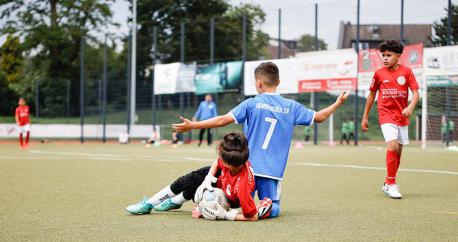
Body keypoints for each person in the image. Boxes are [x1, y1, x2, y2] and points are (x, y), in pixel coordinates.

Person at [173, 62, 349, 217]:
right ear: (278, 82)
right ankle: (266, 208)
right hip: (272, 171)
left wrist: (193, 125)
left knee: (236, 201)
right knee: (275, 206)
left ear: (258, 82)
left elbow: (222, 120)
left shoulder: (252, 103)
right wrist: (337, 103)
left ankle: (211, 208)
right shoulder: (292, 107)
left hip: (246, 168)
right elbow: (319, 117)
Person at [126, 132, 272, 221]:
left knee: (199, 194)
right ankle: (149, 204)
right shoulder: (235, 159)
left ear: (228, 164)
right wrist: (208, 178)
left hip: (231, 198)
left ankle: (178, 201)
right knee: (190, 180)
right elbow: (217, 162)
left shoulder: (243, 188)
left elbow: (252, 217)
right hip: (223, 179)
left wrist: (226, 215)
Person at [361, 40, 420, 199]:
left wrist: (409, 108)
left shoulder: (407, 72)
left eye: (389, 55)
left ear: (398, 55)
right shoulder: (379, 73)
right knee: (392, 147)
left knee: (398, 152)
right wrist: (365, 117)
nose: (385, 58)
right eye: (383, 55)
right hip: (385, 115)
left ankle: (388, 182)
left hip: (401, 116)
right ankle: (392, 184)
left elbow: (416, 94)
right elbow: (372, 95)